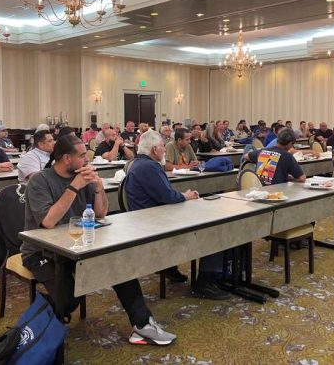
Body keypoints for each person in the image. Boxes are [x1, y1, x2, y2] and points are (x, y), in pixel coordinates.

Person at [21, 136, 176, 345]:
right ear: (66, 158)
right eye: (82, 155)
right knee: (68, 300)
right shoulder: (40, 181)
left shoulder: (82, 177)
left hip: (79, 244)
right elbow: (48, 222)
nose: (87, 160)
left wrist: (97, 187)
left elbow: (101, 213)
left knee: (117, 262)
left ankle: (142, 325)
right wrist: (74, 187)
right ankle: (36, 322)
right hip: (42, 251)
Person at [125, 130, 230, 300]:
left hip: (147, 218)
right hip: (154, 224)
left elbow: (163, 194)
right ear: (154, 150)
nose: (165, 150)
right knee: (213, 225)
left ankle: (170, 268)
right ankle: (206, 282)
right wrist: (185, 196)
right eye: (161, 147)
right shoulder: (150, 167)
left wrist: (181, 196)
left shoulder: (138, 163)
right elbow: (168, 196)